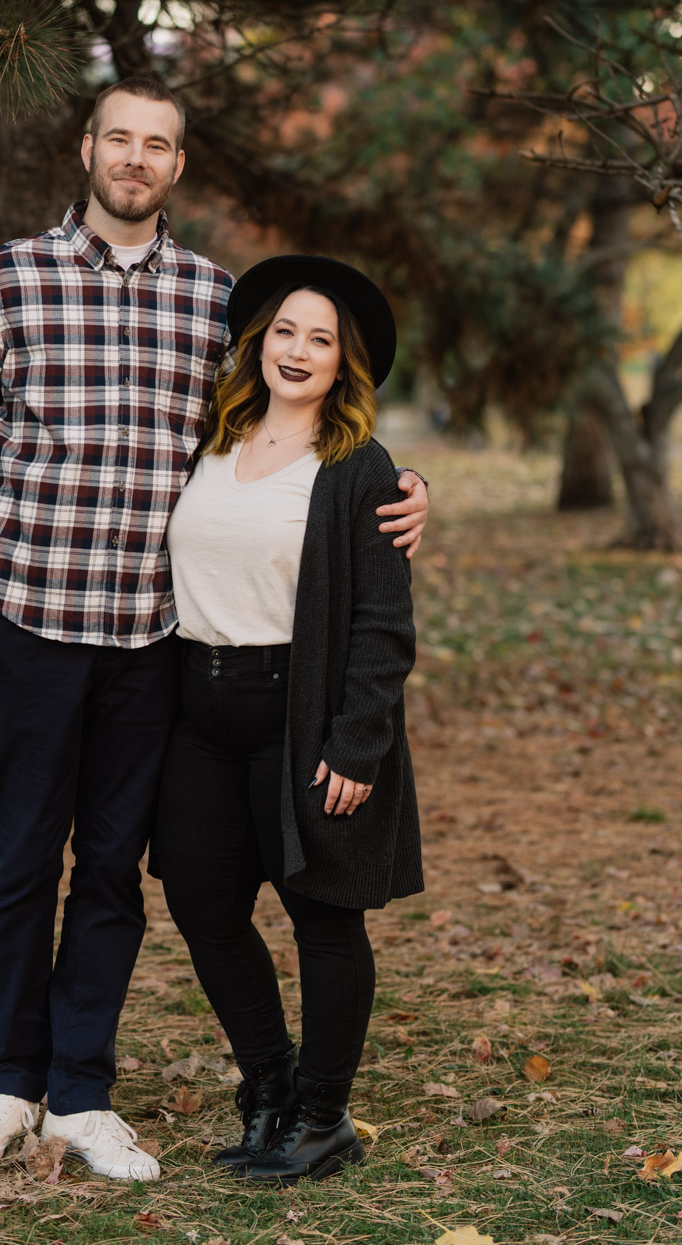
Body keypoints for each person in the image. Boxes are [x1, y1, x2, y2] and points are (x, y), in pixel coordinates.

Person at [0, 77, 430, 1181]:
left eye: (157, 145)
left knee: (111, 867)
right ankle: (11, 1079)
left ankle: (84, 1095)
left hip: (154, 644)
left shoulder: (213, 302)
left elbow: (298, 433)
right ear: (85, 148)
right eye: (118, 139)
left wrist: (403, 489)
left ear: (176, 166)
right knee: (21, 860)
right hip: (33, 621)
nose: (135, 158)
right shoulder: (7, 278)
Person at [155, 254, 422, 1185]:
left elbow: (384, 625)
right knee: (200, 903)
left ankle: (321, 1117)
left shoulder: (358, 467)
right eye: (285, 332)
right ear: (257, 343)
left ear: (344, 362)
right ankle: (267, 1089)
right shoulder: (212, 438)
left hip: (298, 713)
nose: (298, 351)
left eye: (322, 339)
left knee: (322, 917)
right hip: (198, 706)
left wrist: (357, 743)